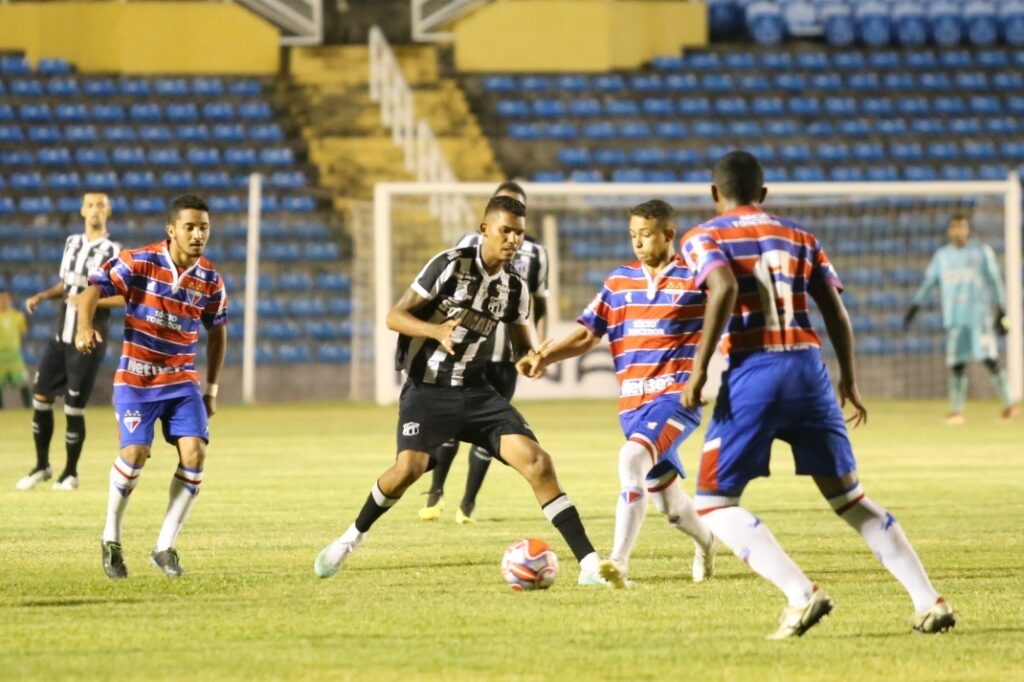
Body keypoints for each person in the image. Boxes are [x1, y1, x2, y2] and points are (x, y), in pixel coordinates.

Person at [679, 151, 956, 639]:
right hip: (810, 371)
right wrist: (848, 377)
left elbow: (721, 287)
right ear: (763, 194)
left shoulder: (705, 236)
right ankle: (928, 601)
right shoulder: (802, 238)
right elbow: (835, 312)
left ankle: (801, 594)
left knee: (713, 504)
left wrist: (699, 371)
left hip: (754, 371)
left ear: (713, 193)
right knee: (850, 498)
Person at [314, 195, 617, 586]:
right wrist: (434, 330)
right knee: (409, 469)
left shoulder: (514, 287)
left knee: (538, 462)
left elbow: (521, 347)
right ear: (484, 230)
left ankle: (590, 564)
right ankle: (350, 539)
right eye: (505, 231)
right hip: (427, 390)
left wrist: (530, 360)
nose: (512, 240)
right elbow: (395, 315)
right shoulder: (450, 264)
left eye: (519, 234)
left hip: (476, 392)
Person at [517, 200, 719, 588]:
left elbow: (730, 307)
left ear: (668, 235)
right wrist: (545, 357)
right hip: (633, 406)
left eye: (645, 235)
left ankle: (617, 563)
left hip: (676, 398)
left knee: (630, 459)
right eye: (633, 236)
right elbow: (588, 333)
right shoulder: (619, 282)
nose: (638, 243)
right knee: (670, 505)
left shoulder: (697, 278)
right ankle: (707, 541)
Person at [75, 193, 227, 580]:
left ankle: (164, 547)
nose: (197, 235)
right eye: (190, 227)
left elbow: (218, 330)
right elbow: (91, 291)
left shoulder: (210, 279)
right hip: (137, 380)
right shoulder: (138, 262)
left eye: (203, 228)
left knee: (195, 455)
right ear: (171, 230)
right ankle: (111, 536)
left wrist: (211, 388)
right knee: (136, 453)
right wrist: (84, 327)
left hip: (181, 382)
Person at [419, 181, 550, 524]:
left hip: (505, 358)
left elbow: (541, 303)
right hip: (468, 353)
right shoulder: (467, 246)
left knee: (490, 436)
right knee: (449, 427)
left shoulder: (536, 254)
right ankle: (435, 494)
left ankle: (468, 504)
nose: (511, 234)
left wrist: (538, 349)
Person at [16, 193, 121, 491]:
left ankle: (70, 473)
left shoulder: (114, 250)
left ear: (109, 211)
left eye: (101, 205)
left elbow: (125, 296)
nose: (95, 210)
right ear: (81, 210)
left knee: (73, 406)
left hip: (87, 338)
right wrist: (44, 295)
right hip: (61, 332)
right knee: (40, 397)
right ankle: (42, 466)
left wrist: (92, 301)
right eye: (90, 204)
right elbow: (66, 283)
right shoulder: (72, 243)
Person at [904, 214, 1018, 424]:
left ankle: (1010, 404)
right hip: (955, 319)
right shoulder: (942, 256)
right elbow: (929, 283)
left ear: (968, 229)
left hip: (979, 317)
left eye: (962, 227)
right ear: (950, 231)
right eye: (955, 227)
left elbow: (994, 280)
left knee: (990, 359)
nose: (959, 231)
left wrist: (1001, 310)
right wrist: (915, 306)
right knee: (957, 364)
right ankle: (957, 411)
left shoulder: (981, 252)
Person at [0, 289, 31, 409]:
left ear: (9, 300)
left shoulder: (18, 316)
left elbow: (24, 333)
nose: (3, 301)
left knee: (23, 384)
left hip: (14, 356)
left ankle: (28, 408)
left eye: (5, 298)